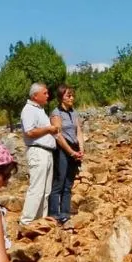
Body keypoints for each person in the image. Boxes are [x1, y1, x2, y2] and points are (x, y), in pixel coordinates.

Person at [20, 83, 60, 225]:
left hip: (46, 152)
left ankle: (40, 222)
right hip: (38, 150)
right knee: (37, 188)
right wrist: (49, 129)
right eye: (45, 93)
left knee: (45, 190)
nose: (48, 95)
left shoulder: (39, 110)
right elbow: (30, 131)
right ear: (35, 95)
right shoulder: (29, 110)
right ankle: (27, 222)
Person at [48, 84, 83, 225]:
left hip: (74, 148)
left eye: (72, 95)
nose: (72, 98)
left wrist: (81, 149)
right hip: (63, 149)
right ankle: (54, 214)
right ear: (61, 97)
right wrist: (71, 152)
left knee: (69, 183)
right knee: (59, 182)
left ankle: (65, 213)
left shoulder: (74, 112)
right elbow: (58, 135)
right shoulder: (56, 113)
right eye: (69, 95)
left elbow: (78, 130)